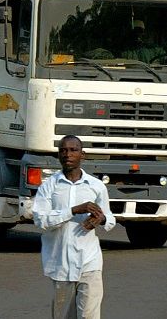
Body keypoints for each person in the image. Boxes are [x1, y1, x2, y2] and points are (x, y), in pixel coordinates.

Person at [33, 135, 116, 319]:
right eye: (63, 150)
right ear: (58, 156)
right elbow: (41, 220)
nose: (68, 154)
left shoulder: (96, 186)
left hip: (90, 262)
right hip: (60, 265)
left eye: (73, 150)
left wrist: (100, 219)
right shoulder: (49, 186)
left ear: (82, 155)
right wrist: (74, 210)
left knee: (89, 316)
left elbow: (110, 218)